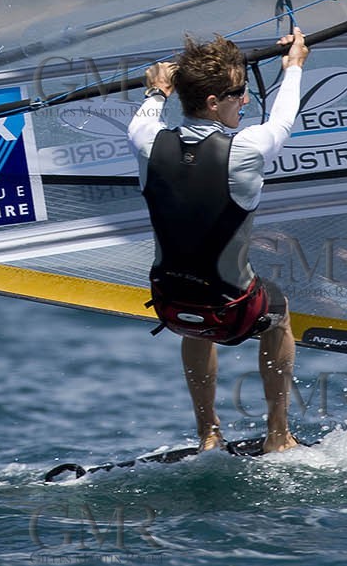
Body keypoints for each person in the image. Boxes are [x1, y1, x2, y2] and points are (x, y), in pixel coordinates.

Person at [127, 27, 309, 454]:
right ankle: (278, 435)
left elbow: (148, 111)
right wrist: (294, 65)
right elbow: (283, 119)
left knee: (197, 311)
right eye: (238, 93)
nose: (246, 100)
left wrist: (157, 90)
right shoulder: (246, 149)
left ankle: (208, 433)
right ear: (213, 102)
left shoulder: (145, 141)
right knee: (278, 312)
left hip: (171, 306)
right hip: (234, 310)